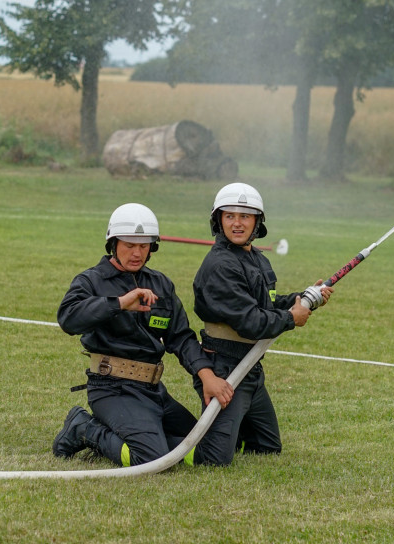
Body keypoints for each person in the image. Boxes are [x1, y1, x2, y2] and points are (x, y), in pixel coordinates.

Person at [52, 202, 233, 467]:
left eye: (144, 245)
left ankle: (147, 435)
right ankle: (83, 427)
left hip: (153, 391)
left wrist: (208, 376)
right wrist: (120, 303)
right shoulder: (91, 281)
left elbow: (181, 337)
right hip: (112, 390)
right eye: (129, 245)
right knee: (150, 458)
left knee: (207, 449)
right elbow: (68, 319)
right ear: (113, 243)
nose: (137, 253)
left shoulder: (161, 284)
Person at [184, 182, 333, 467]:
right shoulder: (221, 266)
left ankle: (230, 429)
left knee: (266, 447)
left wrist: (303, 298)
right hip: (225, 370)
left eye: (245, 217)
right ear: (219, 220)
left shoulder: (256, 260)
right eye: (230, 216)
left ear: (257, 222)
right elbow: (251, 323)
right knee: (215, 461)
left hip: (249, 368)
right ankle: (153, 443)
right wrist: (292, 318)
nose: (237, 223)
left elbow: (266, 304)